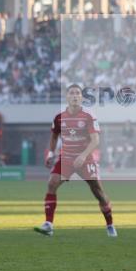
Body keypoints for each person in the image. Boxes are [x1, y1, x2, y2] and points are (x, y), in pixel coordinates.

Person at [34, 84, 116, 238]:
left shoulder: (88, 116)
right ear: (67, 97)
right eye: (71, 93)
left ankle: (110, 224)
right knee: (52, 183)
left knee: (98, 192)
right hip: (66, 158)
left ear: (81, 97)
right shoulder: (59, 117)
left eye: (78, 93)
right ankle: (48, 224)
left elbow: (95, 140)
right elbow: (54, 136)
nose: (75, 95)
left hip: (86, 159)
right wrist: (50, 153)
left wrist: (83, 156)